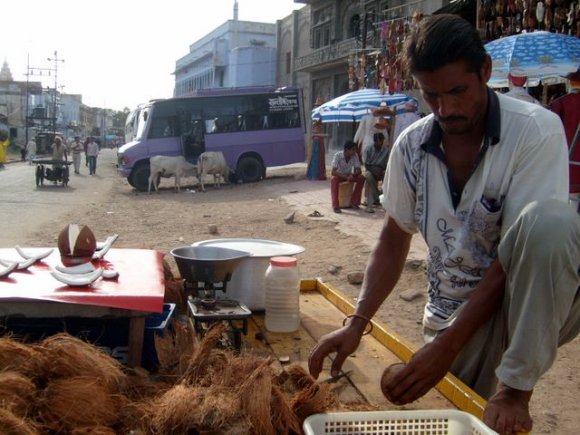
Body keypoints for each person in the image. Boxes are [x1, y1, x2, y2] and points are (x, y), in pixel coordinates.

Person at [309, 14, 579, 435]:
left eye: (458, 91)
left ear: (485, 72)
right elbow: (394, 236)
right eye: (432, 95)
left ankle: (515, 389)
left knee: (552, 223)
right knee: (451, 416)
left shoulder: (535, 130)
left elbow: (513, 260)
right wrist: (357, 323)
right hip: (449, 313)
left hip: (526, 303)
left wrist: (446, 349)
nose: (446, 109)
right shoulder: (411, 145)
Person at [550, 70, 580, 202]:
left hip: (568, 159)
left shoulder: (560, 103)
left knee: (571, 202)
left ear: (569, 82)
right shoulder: (560, 103)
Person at [330, 140, 365, 214]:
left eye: (355, 149)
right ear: (346, 150)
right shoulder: (338, 155)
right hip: (339, 176)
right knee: (334, 180)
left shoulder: (355, 155)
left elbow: (359, 170)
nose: (354, 151)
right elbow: (333, 172)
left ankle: (354, 202)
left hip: (349, 175)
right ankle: (335, 206)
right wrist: (346, 178)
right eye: (353, 149)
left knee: (361, 178)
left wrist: (353, 175)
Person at [362, 132, 389, 213]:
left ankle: (383, 201)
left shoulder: (386, 151)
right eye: (377, 142)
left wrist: (381, 171)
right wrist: (374, 171)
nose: (379, 144)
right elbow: (366, 164)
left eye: (381, 142)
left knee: (387, 176)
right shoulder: (368, 149)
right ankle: (376, 197)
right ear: (374, 141)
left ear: (383, 141)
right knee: (369, 176)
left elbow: (387, 165)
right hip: (371, 170)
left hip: (381, 170)